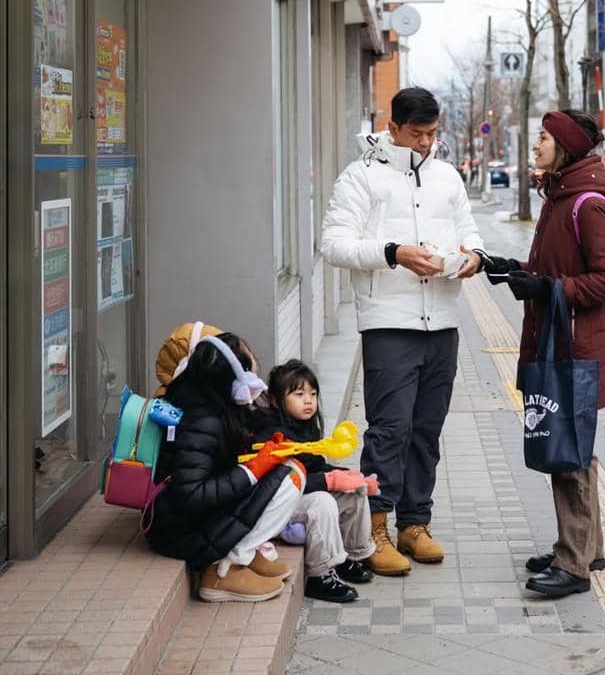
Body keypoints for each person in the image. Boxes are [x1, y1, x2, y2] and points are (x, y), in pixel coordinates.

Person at [321, 86, 485, 575]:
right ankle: (375, 526)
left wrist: (473, 257)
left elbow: (469, 231)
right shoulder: (360, 178)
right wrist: (393, 252)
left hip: (443, 321)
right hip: (388, 324)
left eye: (432, 134)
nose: (425, 144)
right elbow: (333, 243)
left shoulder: (447, 177)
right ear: (392, 127)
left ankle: (416, 524)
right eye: (416, 134)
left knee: (427, 429)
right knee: (389, 429)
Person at [482, 109, 605, 600]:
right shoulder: (560, 195)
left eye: (542, 137)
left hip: (577, 345)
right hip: (560, 338)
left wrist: (545, 286)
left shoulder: (587, 204)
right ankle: (585, 546)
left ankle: (574, 564)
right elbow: (553, 267)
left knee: (569, 451)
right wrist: (513, 269)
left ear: (563, 147)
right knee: (573, 446)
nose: (536, 144)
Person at [145, 332, 306, 604]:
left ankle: (244, 551)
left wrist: (259, 453)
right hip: (178, 530)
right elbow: (191, 493)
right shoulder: (203, 420)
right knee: (290, 476)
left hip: (187, 519)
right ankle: (225, 568)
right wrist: (252, 471)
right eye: (248, 361)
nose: (255, 366)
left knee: (291, 468)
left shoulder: (208, 404)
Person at [254, 360, 377, 604]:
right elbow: (283, 484)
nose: (308, 400)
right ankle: (320, 575)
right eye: (299, 394)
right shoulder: (272, 435)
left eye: (312, 393)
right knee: (321, 502)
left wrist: (350, 476)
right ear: (277, 401)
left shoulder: (303, 427)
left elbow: (315, 466)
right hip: (276, 507)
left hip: (297, 496)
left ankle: (351, 558)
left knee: (355, 490)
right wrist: (329, 480)